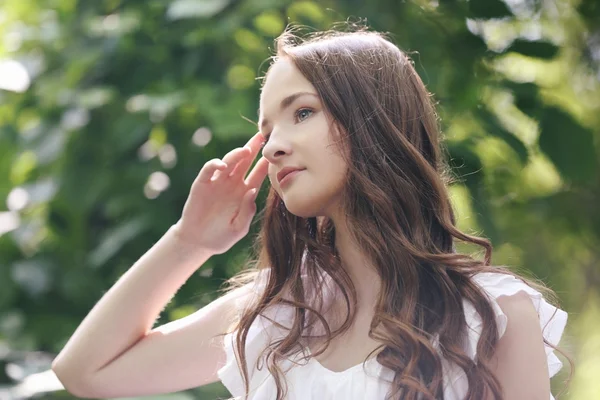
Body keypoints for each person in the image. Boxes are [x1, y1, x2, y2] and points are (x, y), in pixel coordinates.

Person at [51, 25, 571, 400]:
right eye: (267, 128)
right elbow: (86, 373)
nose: (273, 146)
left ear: (375, 121)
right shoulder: (274, 314)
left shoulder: (490, 316)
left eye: (302, 112)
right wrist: (188, 242)